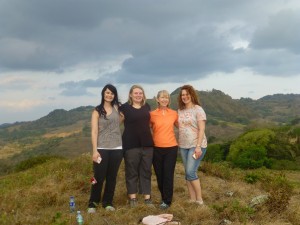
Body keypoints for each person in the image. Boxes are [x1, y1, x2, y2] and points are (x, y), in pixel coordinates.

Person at [87, 84, 123, 213]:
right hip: (101, 148)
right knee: (97, 177)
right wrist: (94, 151)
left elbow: (118, 123)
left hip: (117, 148)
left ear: (114, 95)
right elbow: (94, 131)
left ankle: (108, 202)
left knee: (112, 177)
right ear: (103, 94)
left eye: (112, 93)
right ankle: (92, 203)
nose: (109, 95)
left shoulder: (117, 107)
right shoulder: (97, 110)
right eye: (107, 92)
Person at [119, 84, 154, 207]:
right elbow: (117, 122)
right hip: (130, 145)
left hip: (147, 145)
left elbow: (149, 124)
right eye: (136, 93)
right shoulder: (124, 107)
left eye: (140, 93)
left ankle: (147, 198)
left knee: (146, 171)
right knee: (131, 172)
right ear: (130, 94)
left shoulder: (147, 106)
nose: (138, 95)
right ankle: (132, 198)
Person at [177, 84, 207, 205]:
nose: (184, 97)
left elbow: (201, 129)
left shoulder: (198, 109)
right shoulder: (180, 110)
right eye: (183, 95)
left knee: (191, 172)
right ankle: (192, 199)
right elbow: (179, 125)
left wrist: (198, 146)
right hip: (183, 146)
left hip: (196, 145)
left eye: (187, 94)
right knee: (187, 172)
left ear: (191, 95)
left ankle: (199, 200)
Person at [150, 90, 178, 210]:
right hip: (156, 148)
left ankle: (167, 201)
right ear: (157, 99)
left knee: (168, 175)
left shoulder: (174, 113)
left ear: (168, 100)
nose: (164, 99)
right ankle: (163, 197)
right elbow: (145, 128)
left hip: (171, 148)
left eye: (167, 98)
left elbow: (182, 127)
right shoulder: (152, 114)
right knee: (159, 175)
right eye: (162, 97)